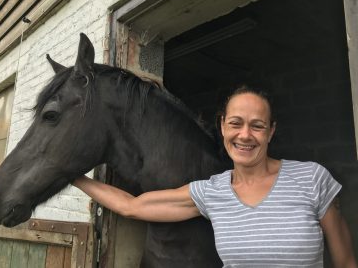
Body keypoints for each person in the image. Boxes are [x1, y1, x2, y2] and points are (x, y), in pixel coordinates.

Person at [73, 85, 357, 267]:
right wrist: (73, 176)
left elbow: (345, 262)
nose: (245, 135)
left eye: (257, 126)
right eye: (236, 123)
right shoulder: (212, 193)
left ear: (271, 132)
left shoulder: (311, 178)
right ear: (222, 127)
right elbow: (131, 207)